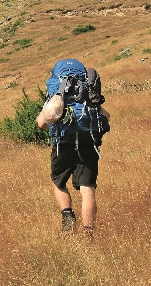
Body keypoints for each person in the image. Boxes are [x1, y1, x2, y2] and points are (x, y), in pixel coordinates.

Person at [36, 60, 110, 237]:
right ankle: (88, 231)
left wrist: (56, 126)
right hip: (88, 144)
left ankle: (68, 217)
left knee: (58, 182)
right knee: (87, 187)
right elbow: (106, 116)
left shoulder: (57, 92)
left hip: (63, 145)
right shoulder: (87, 91)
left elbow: (41, 123)